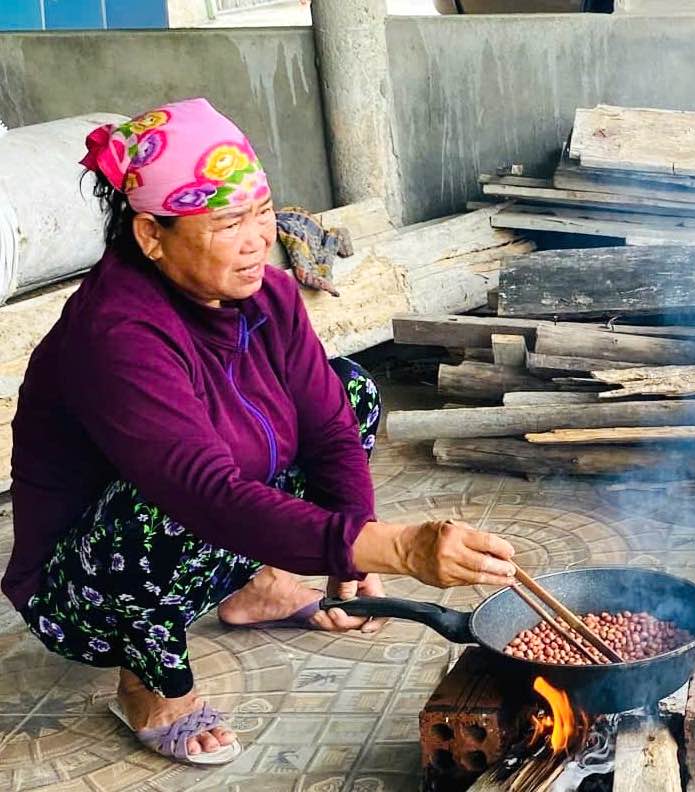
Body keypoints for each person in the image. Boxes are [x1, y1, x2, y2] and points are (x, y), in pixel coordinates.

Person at [1, 98, 517, 765]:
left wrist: (347, 554)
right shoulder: (116, 333)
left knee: (349, 392)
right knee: (169, 502)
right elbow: (204, 495)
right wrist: (401, 550)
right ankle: (149, 683)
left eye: (261, 213)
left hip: (197, 522)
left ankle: (252, 585)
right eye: (227, 222)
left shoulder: (267, 296)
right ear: (150, 235)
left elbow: (330, 429)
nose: (256, 239)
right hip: (83, 584)